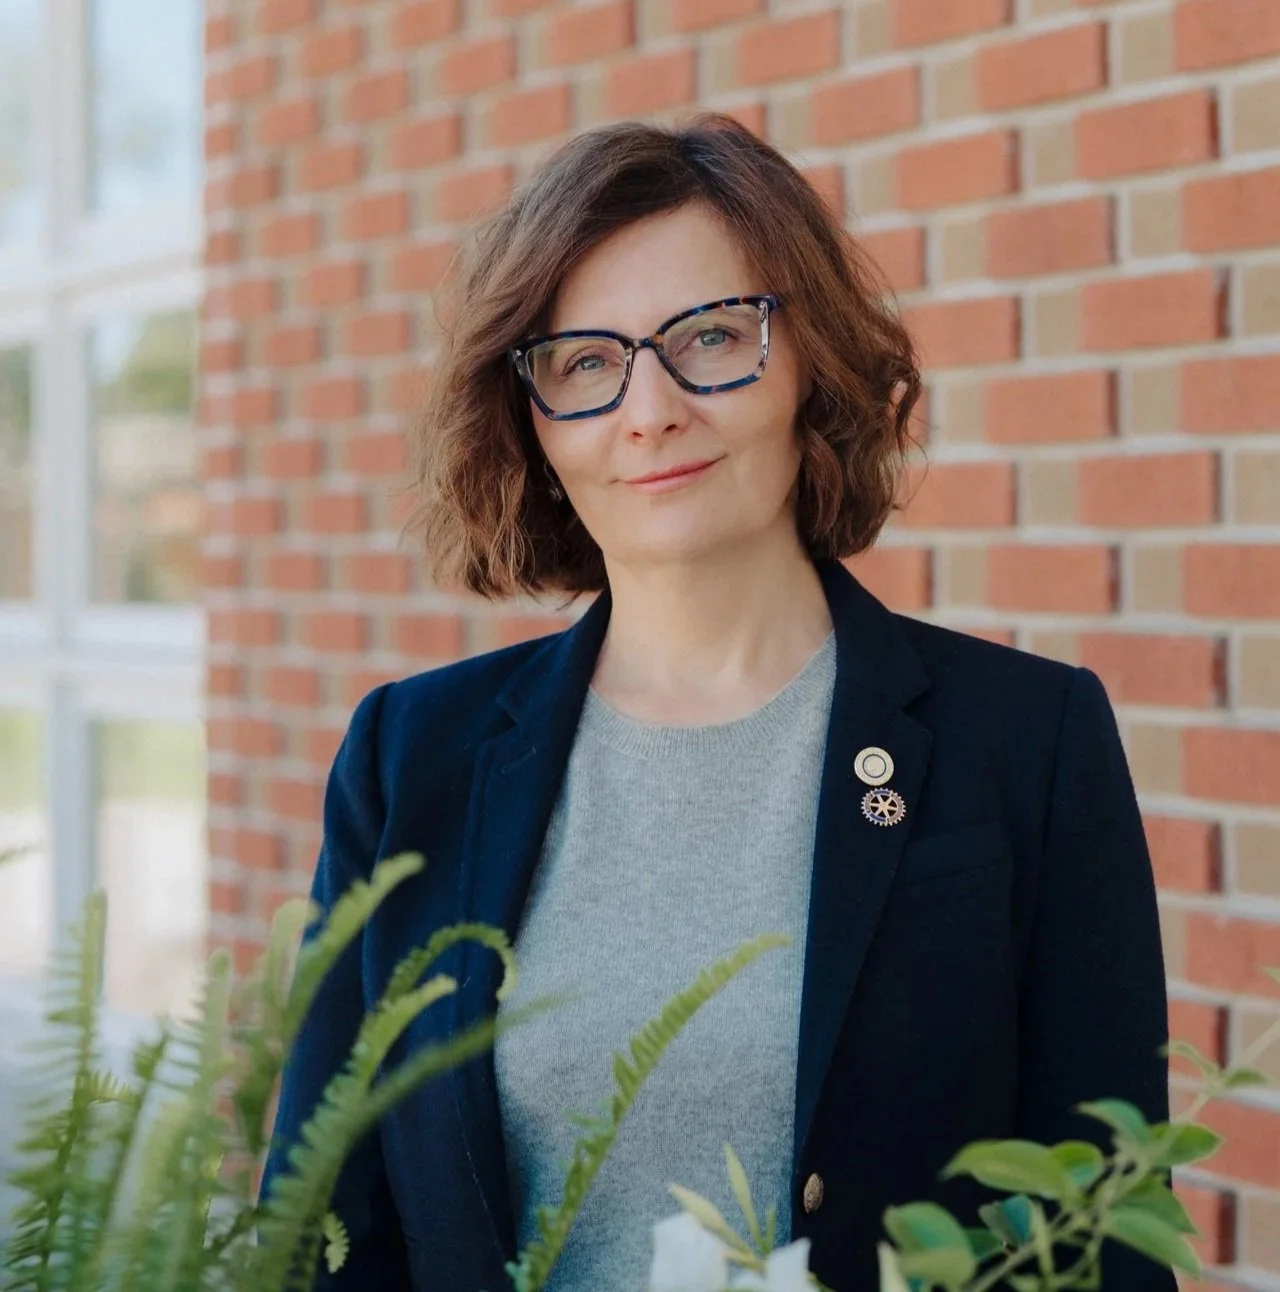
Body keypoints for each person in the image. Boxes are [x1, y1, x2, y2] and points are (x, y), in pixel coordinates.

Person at [259, 114, 1175, 1292]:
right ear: (530, 417)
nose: (648, 409)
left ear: (810, 367)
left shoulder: (1025, 741)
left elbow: (1102, 1231)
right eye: (584, 361)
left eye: (710, 336)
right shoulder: (412, 754)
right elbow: (325, 1232)